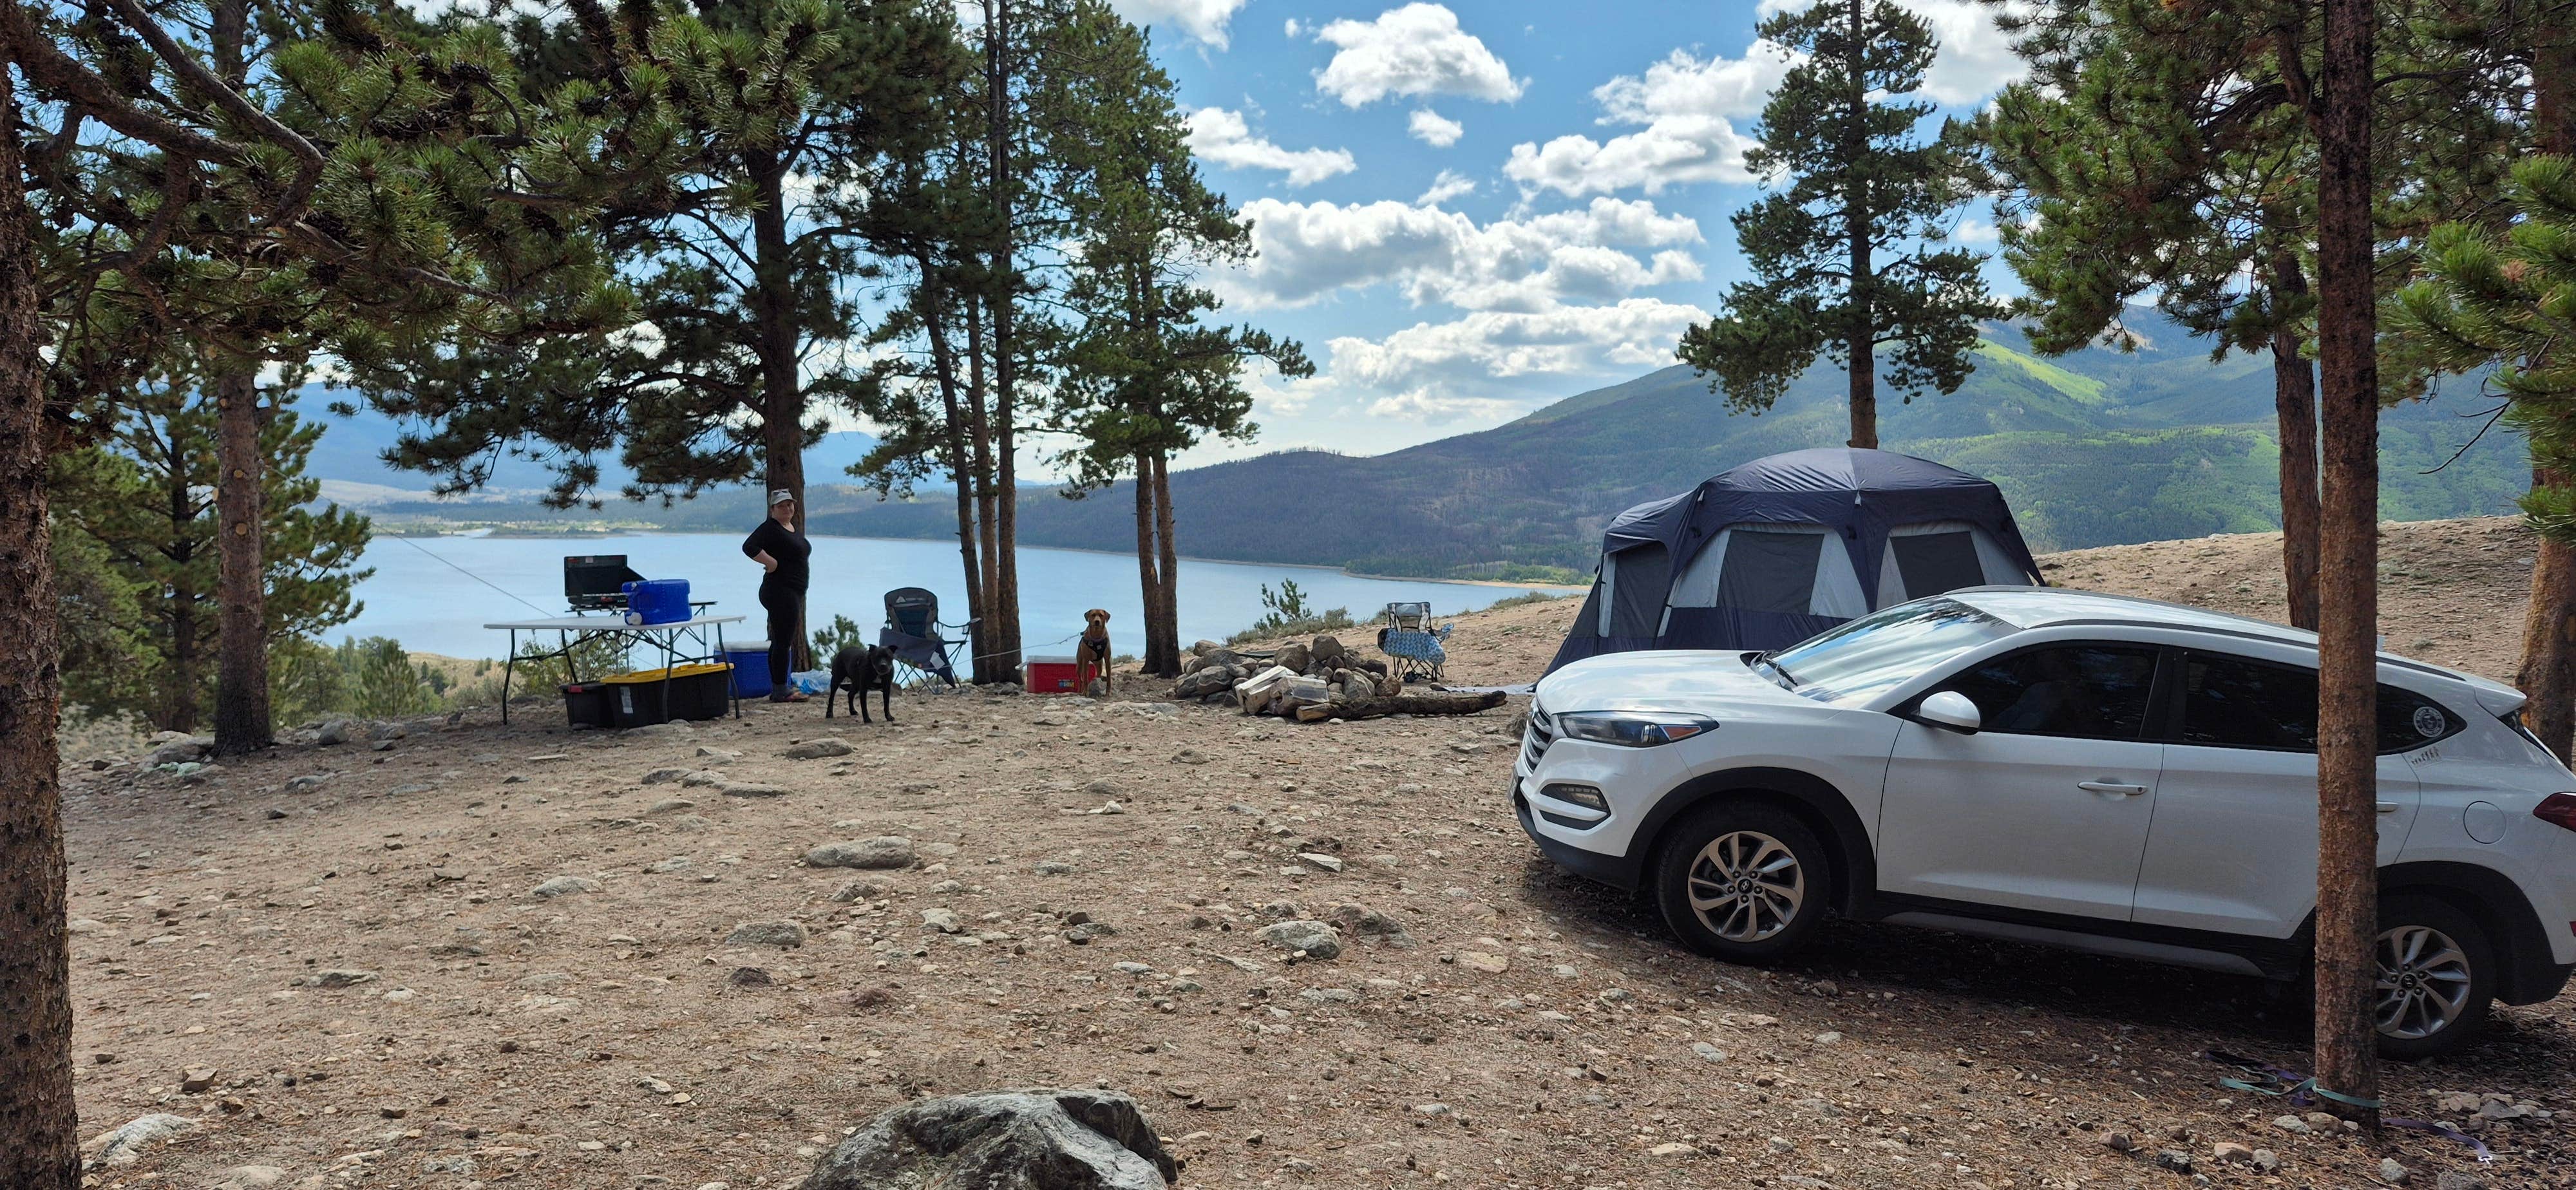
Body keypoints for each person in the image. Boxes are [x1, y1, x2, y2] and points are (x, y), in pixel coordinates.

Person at [742, 489, 811, 703]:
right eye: (782, 505)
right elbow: (749, 546)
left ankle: (780, 686)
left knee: (781, 639)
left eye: (790, 504)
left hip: (791, 591)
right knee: (783, 640)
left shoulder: (790, 528)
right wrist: (770, 563)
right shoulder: (770, 528)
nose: (788, 508)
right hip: (779, 590)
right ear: (772, 509)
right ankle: (781, 690)